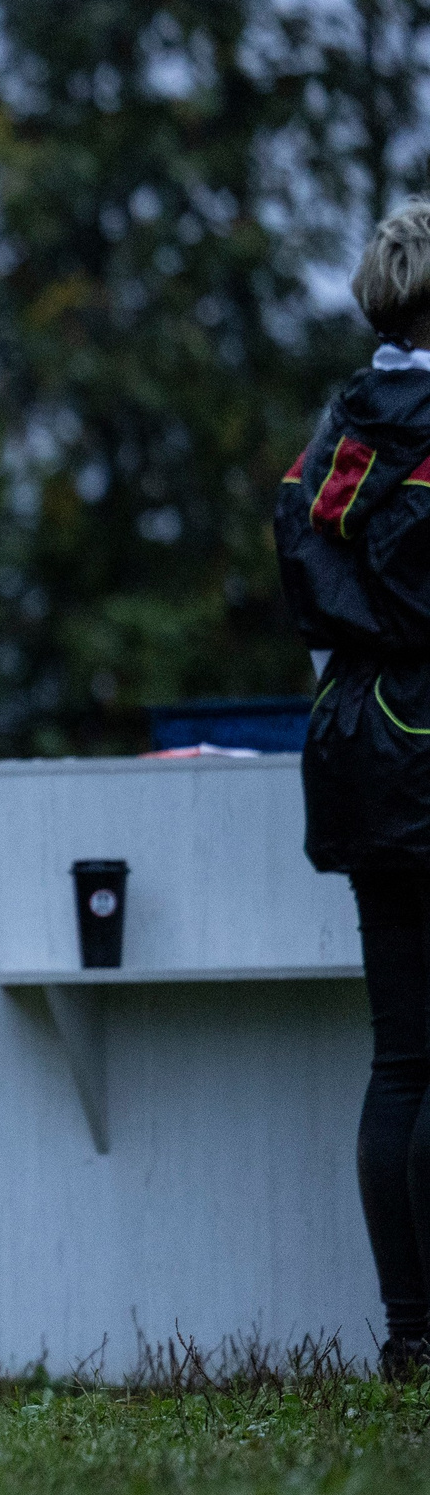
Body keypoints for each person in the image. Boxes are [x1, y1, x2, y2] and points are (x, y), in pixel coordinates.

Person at [276, 199, 430, 1381]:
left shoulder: (337, 432)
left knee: (399, 1065)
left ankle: (409, 1337)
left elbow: (310, 576)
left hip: (364, 752)